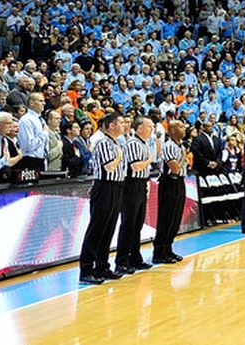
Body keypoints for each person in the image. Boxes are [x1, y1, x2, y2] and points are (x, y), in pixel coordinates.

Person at [78, 113, 126, 285]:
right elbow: (110, 167)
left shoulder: (114, 143)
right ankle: (86, 269)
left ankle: (102, 266)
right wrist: (120, 156)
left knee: (109, 228)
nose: (124, 124)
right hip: (105, 187)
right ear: (111, 126)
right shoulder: (104, 143)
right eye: (120, 122)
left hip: (117, 187)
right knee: (97, 228)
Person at [115, 115, 156, 275]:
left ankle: (135, 257)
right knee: (128, 224)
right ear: (139, 128)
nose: (152, 129)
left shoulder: (143, 143)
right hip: (131, 185)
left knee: (138, 224)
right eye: (149, 126)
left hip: (141, 184)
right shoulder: (132, 143)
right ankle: (122, 261)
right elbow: (136, 166)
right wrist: (149, 160)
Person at [153, 119, 187, 264]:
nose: (184, 128)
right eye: (180, 126)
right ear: (172, 130)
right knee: (166, 217)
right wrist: (184, 157)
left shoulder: (181, 146)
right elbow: (175, 168)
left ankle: (168, 248)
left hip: (180, 182)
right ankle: (159, 251)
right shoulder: (169, 146)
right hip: (169, 183)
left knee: (175, 217)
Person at [16, 93, 48, 174]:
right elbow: (28, 145)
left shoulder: (41, 119)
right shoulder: (26, 120)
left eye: (44, 101)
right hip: (30, 160)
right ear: (31, 103)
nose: (44, 103)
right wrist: (44, 134)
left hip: (42, 159)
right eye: (41, 101)